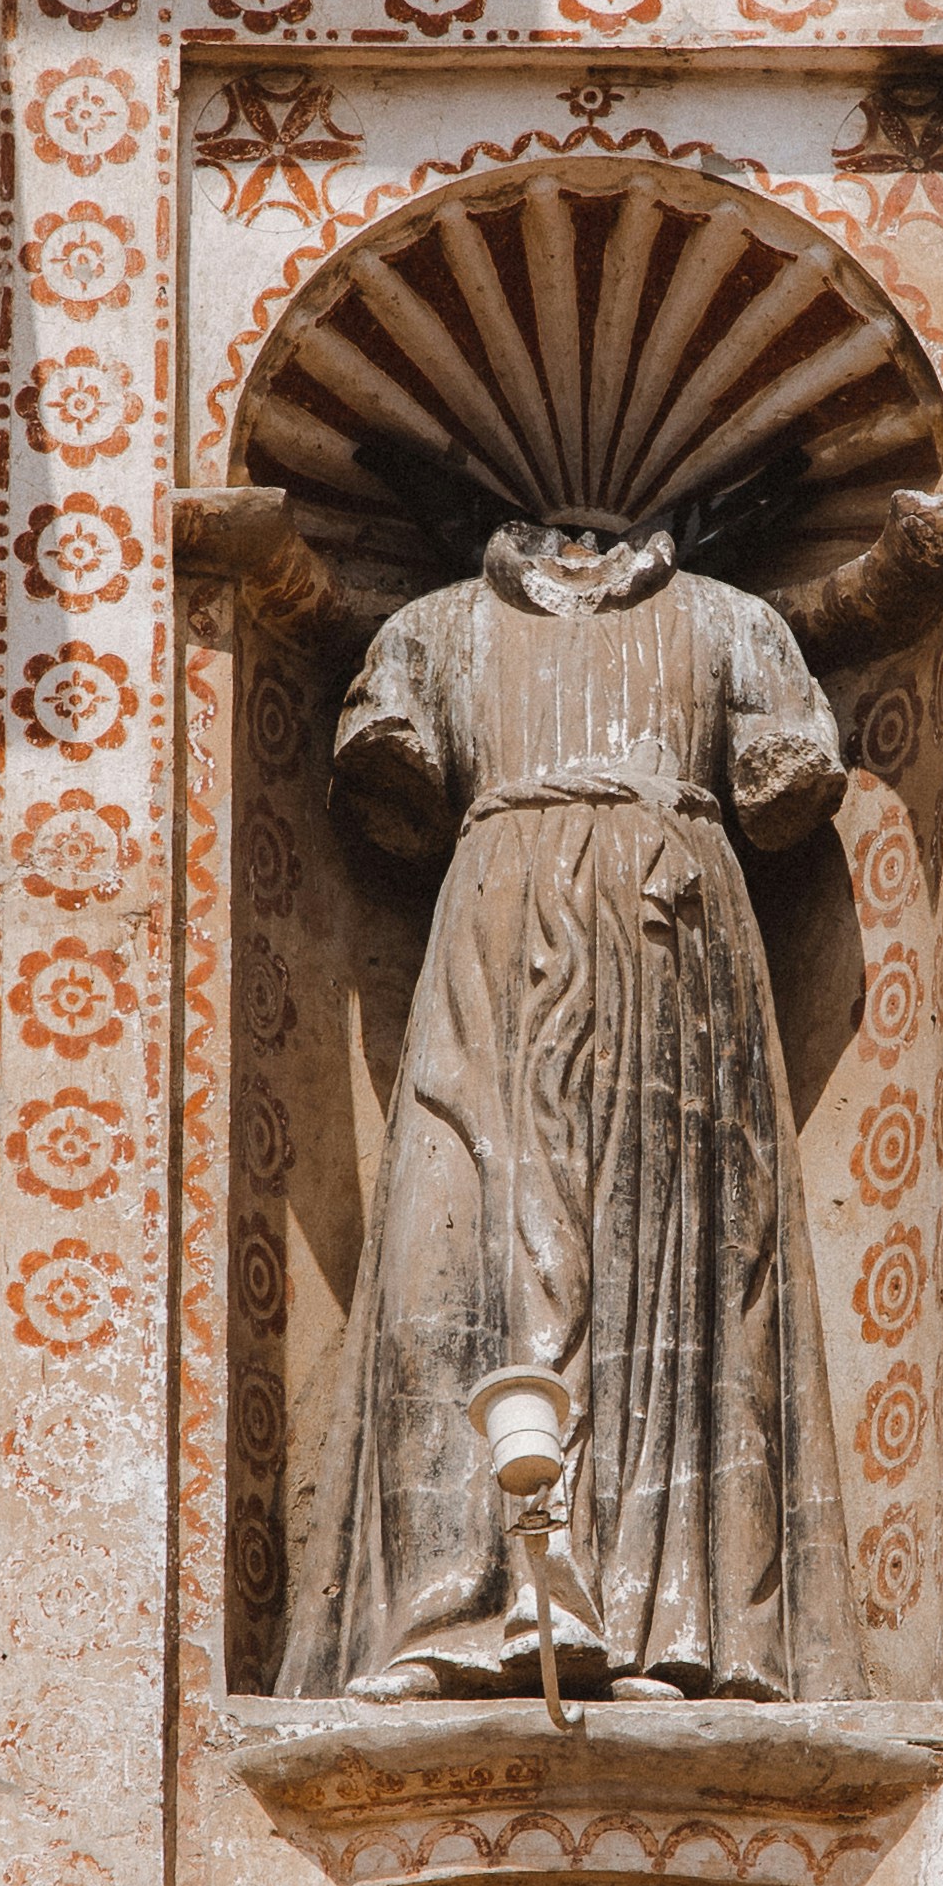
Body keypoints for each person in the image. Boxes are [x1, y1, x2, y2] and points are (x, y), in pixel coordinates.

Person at [282, 515, 864, 1705]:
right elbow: (386, 776)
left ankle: (662, 1627)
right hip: (490, 948)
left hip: (670, 954)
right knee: (442, 1266)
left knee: (665, 1261)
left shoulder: (731, 622)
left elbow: (786, 777)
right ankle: (444, 1610)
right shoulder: (430, 629)